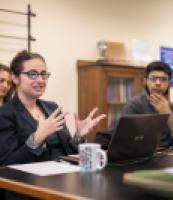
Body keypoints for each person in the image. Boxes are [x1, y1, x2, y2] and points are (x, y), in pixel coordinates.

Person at [0, 50, 106, 200]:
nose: (41, 80)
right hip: (30, 191)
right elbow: (6, 166)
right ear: (15, 78)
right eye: (33, 74)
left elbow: (68, 151)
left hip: (65, 184)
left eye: (44, 74)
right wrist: (36, 138)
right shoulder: (5, 114)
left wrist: (79, 136)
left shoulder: (51, 107)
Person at [120, 61, 173, 147]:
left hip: (168, 157)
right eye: (153, 78)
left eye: (163, 79)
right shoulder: (133, 106)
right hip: (140, 157)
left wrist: (168, 113)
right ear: (145, 81)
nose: (158, 83)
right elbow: (124, 142)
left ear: (169, 84)